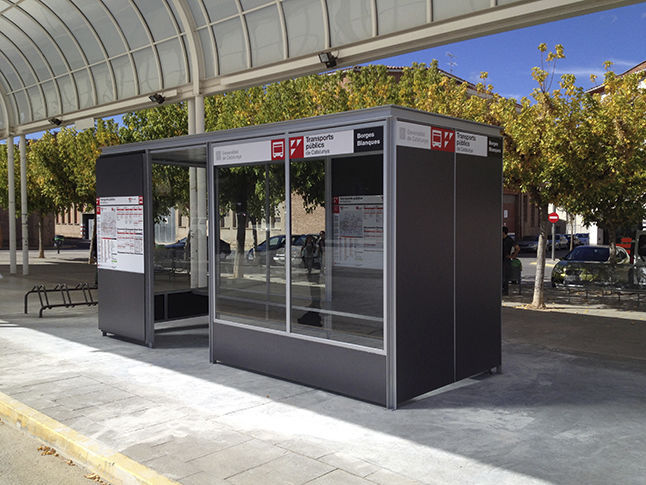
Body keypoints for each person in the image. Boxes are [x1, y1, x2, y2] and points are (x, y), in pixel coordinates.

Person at [502, 226, 520, 295]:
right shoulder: (500, 239)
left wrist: (513, 256)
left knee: (505, 276)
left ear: (503, 232)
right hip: (500, 259)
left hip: (506, 259)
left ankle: (505, 291)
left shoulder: (509, 240)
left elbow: (517, 248)